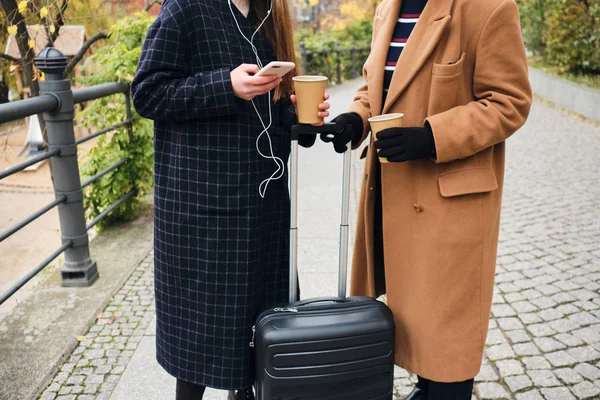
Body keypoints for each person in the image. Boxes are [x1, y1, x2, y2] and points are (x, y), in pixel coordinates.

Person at [326, 0, 532, 398]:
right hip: (387, 200)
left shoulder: (488, 8)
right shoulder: (388, 8)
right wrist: (355, 118)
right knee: (401, 330)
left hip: (448, 209)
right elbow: (375, 85)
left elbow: (510, 101)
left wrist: (433, 135)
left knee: (446, 358)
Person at [131, 0, 329, 399]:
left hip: (263, 208)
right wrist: (226, 85)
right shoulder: (185, 10)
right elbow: (147, 93)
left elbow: (266, 118)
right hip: (203, 209)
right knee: (199, 341)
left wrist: (299, 121)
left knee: (259, 335)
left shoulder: (267, 16)